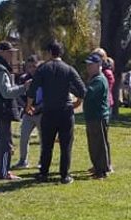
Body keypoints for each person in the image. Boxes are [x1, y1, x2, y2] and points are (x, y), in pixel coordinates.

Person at [28, 40, 86, 184]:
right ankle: (64, 175)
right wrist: (78, 102)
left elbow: (32, 88)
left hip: (48, 111)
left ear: (49, 53)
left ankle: (43, 173)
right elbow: (82, 89)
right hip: (65, 111)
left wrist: (29, 105)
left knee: (47, 144)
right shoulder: (69, 69)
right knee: (66, 145)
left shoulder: (43, 69)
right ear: (61, 53)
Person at [0, 42, 30, 180]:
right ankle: (4, 172)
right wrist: (23, 87)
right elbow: (6, 92)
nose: (11, 54)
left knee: (1, 139)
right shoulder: (0, 69)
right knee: (6, 141)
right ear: (1, 52)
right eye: (9, 52)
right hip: (1, 109)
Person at [83, 54, 111, 179]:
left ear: (99, 65)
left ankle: (102, 171)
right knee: (94, 144)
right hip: (92, 117)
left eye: (91, 65)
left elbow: (88, 93)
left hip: (98, 117)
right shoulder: (94, 79)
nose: (88, 67)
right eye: (87, 65)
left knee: (99, 145)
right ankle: (97, 168)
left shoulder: (99, 80)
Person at [13, 55, 42, 170]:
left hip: (40, 112)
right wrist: (25, 107)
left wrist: (39, 107)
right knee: (24, 137)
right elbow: (18, 95)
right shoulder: (24, 79)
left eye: (34, 66)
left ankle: (42, 161)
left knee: (43, 138)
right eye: (30, 67)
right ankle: (23, 160)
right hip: (27, 113)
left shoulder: (43, 78)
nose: (32, 69)